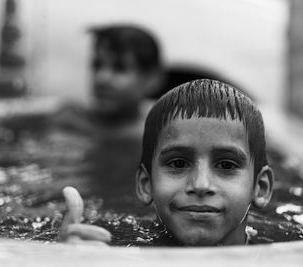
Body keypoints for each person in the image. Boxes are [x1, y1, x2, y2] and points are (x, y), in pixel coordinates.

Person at [59, 79, 274, 246]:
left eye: (226, 165)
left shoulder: (288, 254)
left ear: (260, 187)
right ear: (146, 184)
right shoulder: (115, 247)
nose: (200, 185)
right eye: (178, 163)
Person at [53, 24, 164, 138]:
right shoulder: (70, 121)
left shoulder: (159, 131)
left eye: (119, 68)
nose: (101, 78)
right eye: (97, 65)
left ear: (151, 78)